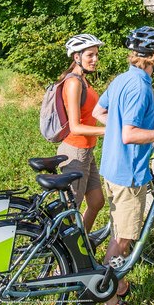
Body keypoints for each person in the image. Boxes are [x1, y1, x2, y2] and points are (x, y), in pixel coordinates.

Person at [92, 26, 154, 305]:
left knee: (120, 229)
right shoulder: (141, 88)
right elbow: (130, 135)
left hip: (110, 166)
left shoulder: (122, 80)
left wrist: (123, 127)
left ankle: (116, 284)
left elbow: (99, 111)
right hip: (128, 174)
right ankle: (108, 299)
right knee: (124, 239)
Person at [56, 33, 108, 233]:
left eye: (96, 55)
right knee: (71, 210)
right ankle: (63, 261)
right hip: (75, 151)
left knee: (96, 202)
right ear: (76, 57)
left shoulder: (83, 80)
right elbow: (75, 126)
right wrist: (109, 131)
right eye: (90, 55)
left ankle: (81, 246)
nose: (95, 59)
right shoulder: (73, 83)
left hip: (87, 149)